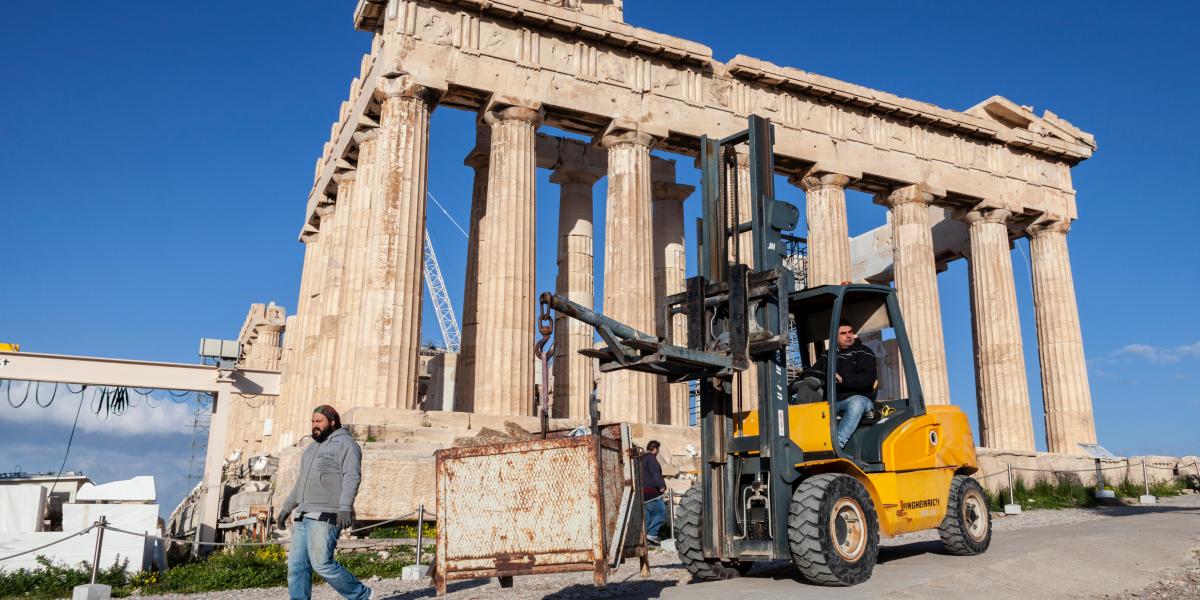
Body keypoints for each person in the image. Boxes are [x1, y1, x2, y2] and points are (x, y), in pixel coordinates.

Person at [278, 405, 371, 600]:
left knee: (322, 564)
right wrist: (287, 507)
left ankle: (362, 596)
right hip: (303, 515)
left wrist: (345, 507)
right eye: (313, 421)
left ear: (333, 422)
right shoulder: (311, 448)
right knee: (297, 566)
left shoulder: (347, 445)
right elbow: (301, 482)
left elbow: (352, 477)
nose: (314, 425)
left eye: (319, 421)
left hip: (326, 514)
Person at [814, 320, 878, 449]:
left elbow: (867, 379)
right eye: (843, 333)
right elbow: (813, 372)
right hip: (832, 401)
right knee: (810, 408)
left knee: (856, 404)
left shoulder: (864, 352)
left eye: (850, 332)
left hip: (859, 398)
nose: (849, 336)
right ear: (834, 337)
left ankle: (836, 445)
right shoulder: (827, 356)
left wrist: (843, 380)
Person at [640, 440, 667, 545]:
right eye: (658, 450)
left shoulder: (641, 458)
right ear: (655, 449)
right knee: (661, 512)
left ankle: (643, 539)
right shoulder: (651, 459)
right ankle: (652, 534)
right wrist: (661, 486)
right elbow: (655, 474)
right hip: (652, 492)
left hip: (642, 492)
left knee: (647, 516)